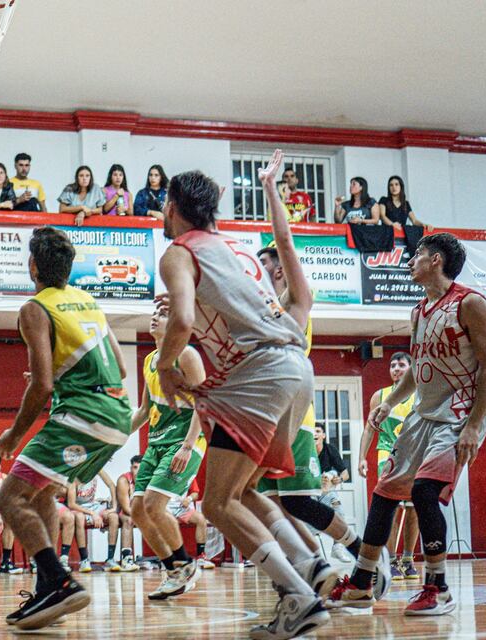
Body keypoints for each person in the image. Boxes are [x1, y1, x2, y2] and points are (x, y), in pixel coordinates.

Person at [158, 150, 332, 639]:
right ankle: (309, 564)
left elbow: (183, 320)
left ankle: (298, 593)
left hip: (261, 375)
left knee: (216, 503)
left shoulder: (179, 251)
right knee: (244, 490)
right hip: (298, 370)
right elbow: (295, 289)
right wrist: (271, 188)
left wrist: (166, 364)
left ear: (172, 207)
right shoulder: (238, 249)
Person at [329, 233, 486, 616]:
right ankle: (361, 583)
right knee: (385, 492)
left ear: (435, 260)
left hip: (458, 414)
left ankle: (438, 588)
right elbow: (417, 371)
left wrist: (474, 424)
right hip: (422, 415)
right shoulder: (419, 311)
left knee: (422, 492)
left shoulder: (470, 303)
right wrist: (388, 402)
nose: (410, 260)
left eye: (417, 254)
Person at [0, 226, 131, 630]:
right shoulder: (87, 301)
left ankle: (59, 580)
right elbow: (120, 369)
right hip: (117, 416)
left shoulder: (34, 308)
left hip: (83, 417)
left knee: (9, 499)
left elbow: (43, 386)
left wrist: (14, 434)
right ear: (68, 270)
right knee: (42, 495)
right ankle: (46, 590)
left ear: (33, 265)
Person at [255, 244, 365, 566]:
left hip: (294, 416)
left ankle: (358, 549)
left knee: (299, 502)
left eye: (262, 263)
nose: (255, 268)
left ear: (278, 270)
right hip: (267, 416)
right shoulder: (264, 307)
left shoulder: (292, 302)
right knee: (272, 507)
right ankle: (312, 566)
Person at [130, 308, 208, 599]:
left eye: (163, 313)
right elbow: (141, 412)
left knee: (153, 505)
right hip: (156, 441)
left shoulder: (186, 355)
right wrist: (111, 437)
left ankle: (186, 565)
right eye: (154, 312)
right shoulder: (150, 360)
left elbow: (204, 402)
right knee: (137, 511)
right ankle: (174, 570)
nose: (154, 316)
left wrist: (188, 446)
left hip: (185, 441)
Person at [357, 351, 420, 580]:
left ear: (411, 369)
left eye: (401, 365)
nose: (395, 368)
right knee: (392, 507)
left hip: (414, 456)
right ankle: (392, 559)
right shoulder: (380, 396)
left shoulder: (420, 395)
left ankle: (408, 559)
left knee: (414, 509)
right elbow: (369, 428)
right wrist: (361, 457)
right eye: (392, 365)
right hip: (388, 454)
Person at [313, 424, 354, 561]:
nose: (315, 434)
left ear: (323, 435)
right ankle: (311, 554)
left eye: (318, 431)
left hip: (325, 493)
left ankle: (337, 548)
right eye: (312, 431)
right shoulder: (305, 450)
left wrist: (338, 479)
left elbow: (346, 474)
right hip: (309, 493)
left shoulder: (330, 449)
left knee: (339, 512)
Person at [66, 470, 119, 572]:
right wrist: (92, 513)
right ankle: (84, 559)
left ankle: (110, 559)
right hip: (78, 507)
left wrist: (114, 507)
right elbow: (71, 504)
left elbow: (112, 485)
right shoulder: (75, 476)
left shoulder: (97, 468)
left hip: (92, 505)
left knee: (114, 517)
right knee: (80, 518)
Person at [167, 479, 213, 569]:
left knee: (201, 519)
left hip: (182, 508)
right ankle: (169, 558)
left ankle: (201, 556)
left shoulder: (190, 473)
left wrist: (189, 499)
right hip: (166, 508)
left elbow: (195, 493)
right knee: (167, 523)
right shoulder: (164, 472)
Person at [114, 456, 140, 572]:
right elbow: (125, 508)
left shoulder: (149, 479)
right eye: (135, 467)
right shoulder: (123, 480)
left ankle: (167, 558)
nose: (137, 471)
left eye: (140, 468)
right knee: (128, 520)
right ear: (131, 468)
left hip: (141, 511)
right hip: (121, 511)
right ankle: (126, 558)